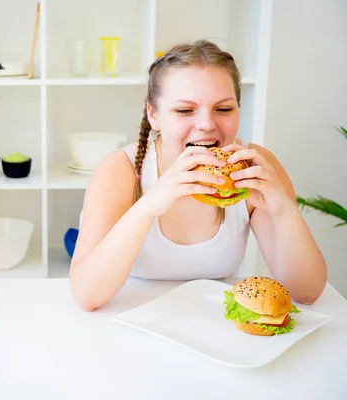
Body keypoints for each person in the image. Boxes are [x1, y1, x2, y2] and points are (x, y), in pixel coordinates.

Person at [69, 40, 327, 312]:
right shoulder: (119, 170)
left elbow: (307, 292)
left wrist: (284, 210)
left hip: (216, 325)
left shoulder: (255, 168)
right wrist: (149, 205)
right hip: (131, 317)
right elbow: (87, 296)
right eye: (184, 110)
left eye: (224, 109)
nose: (206, 124)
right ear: (153, 115)